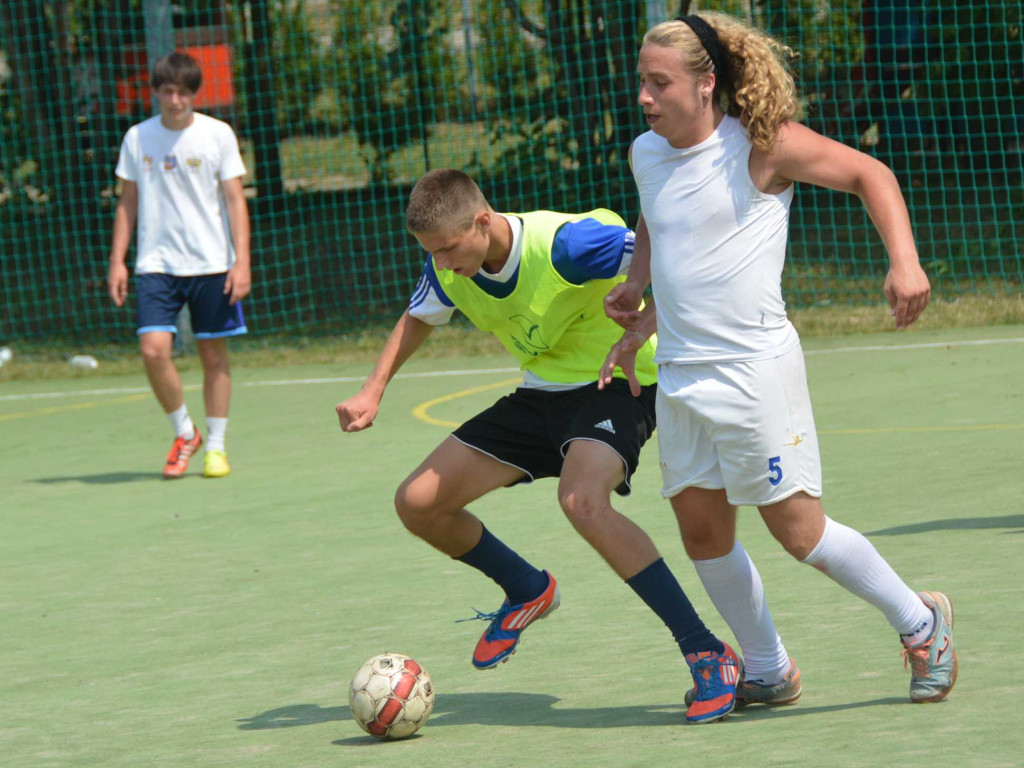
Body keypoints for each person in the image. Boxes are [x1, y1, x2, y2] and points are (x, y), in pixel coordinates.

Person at [336, 168, 786, 723]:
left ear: (482, 221)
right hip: (539, 397)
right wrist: (372, 389)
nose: (444, 262)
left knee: (582, 501)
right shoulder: (446, 265)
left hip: (616, 385)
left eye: (451, 248)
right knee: (419, 502)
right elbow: (420, 315)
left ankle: (705, 651)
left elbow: (676, 257)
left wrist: (643, 326)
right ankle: (526, 588)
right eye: (433, 253)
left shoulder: (571, 246)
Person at [600, 12, 956, 704]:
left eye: (658, 83)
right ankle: (768, 668)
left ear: (706, 85)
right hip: (680, 375)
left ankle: (922, 622)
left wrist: (905, 263)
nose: (644, 97)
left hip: (753, 372)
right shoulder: (649, 152)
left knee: (799, 532)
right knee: (702, 533)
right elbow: (656, 216)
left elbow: (870, 174)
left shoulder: (763, 147)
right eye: (641, 82)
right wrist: (640, 292)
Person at [107, 51, 251, 479]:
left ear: (194, 95)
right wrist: (118, 261)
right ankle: (185, 432)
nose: (175, 101)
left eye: (183, 93)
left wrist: (241, 261)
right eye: (168, 92)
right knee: (153, 351)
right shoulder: (138, 137)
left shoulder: (217, 134)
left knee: (213, 357)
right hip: (156, 264)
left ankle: (217, 446)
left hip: (211, 264)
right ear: (156, 93)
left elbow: (234, 201)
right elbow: (127, 202)